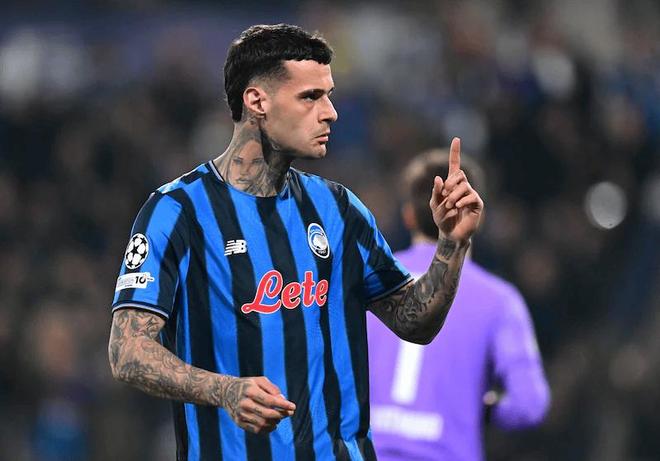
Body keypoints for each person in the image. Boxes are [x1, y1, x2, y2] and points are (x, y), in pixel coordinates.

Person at [108, 24, 483, 461]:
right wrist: (224, 389)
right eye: (310, 97)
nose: (330, 113)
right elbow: (127, 351)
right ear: (257, 102)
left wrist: (451, 244)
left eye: (328, 95)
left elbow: (414, 322)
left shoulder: (339, 209)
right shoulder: (178, 211)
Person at [367, 149, 550, 461]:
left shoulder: (368, 278)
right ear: (478, 214)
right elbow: (529, 404)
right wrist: (478, 407)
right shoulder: (499, 301)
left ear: (408, 215)